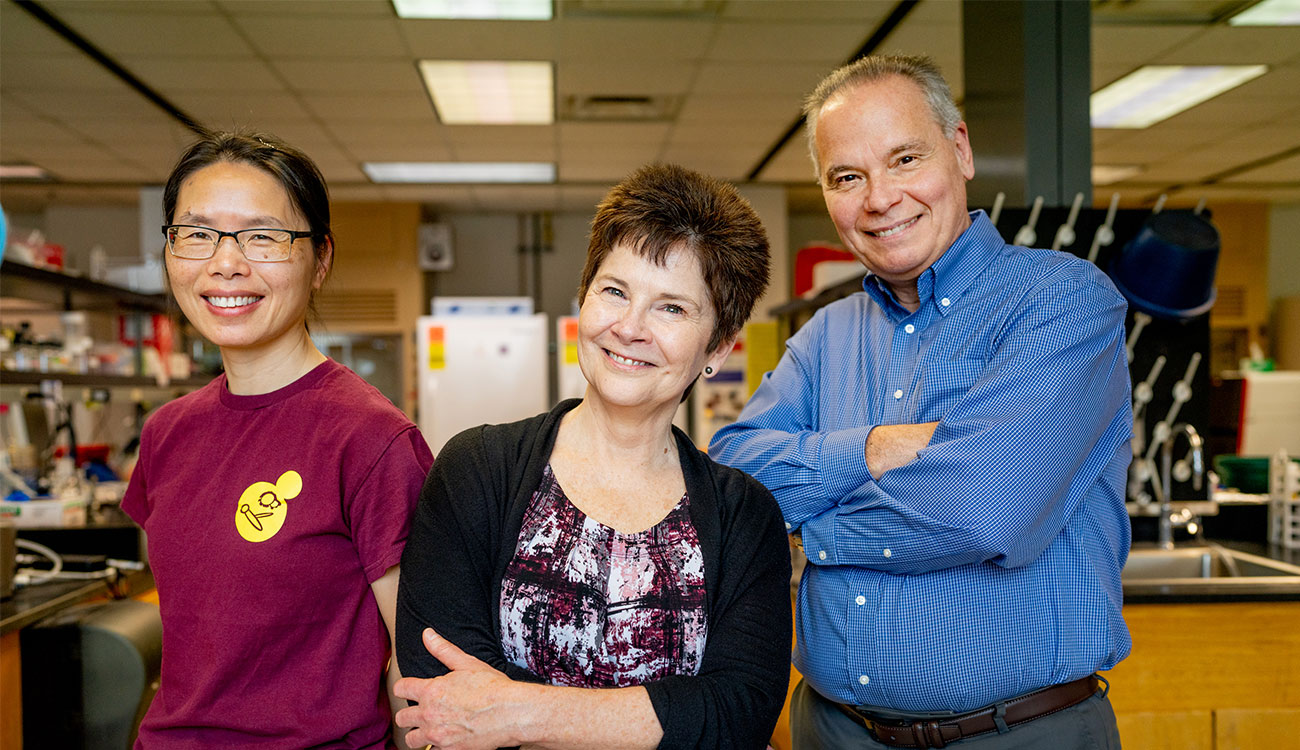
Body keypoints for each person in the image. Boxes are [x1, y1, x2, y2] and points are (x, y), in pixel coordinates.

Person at [709, 55, 1131, 749]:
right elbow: (732, 485)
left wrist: (816, 528)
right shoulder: (825, 335)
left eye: (905, 158)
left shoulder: (1061, 302)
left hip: (1018, 733)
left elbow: (984, 511)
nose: (879, 198)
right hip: (833, 730)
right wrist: (876, 448)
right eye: (848, 176)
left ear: (959, 150)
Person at [394, 163, 791, 750]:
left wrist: (518, 713)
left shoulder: (745, 516)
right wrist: (659, 721)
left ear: (718, 346)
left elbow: (738, 715)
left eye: (672, 308)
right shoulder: (477, 469)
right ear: (584, 298)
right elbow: (438, 688)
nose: (630, 328)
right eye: (615, 291)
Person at [122, 131, 432, 748]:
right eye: (198, 234)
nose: (226, 263)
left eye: (262, 236)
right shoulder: (165, 433)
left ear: (320, 261)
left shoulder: (371, 440)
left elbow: (419, 667)